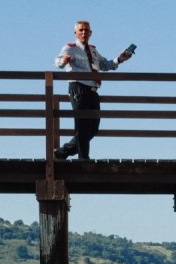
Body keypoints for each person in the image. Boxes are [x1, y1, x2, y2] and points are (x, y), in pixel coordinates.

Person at [53, 20, 133, 160]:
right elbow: (57, 62)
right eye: (81, 30)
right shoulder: (70, 48)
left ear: (90, 33)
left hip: (93, 90)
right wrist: (64, 61)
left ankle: (62, 152)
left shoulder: (93, 51)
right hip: (78, 88)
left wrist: (120, 59)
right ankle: (84, 160)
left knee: (93, 128)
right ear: (76, 33)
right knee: (82, 126)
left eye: (86, 30)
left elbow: (105, 64)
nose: (84, 32)